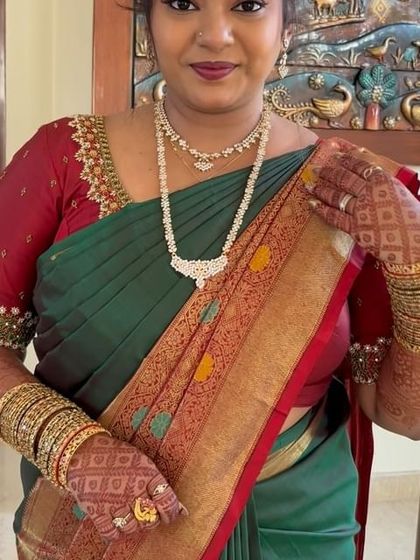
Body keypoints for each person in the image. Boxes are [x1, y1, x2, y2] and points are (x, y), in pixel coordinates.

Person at [0, 1, 419, 559]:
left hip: (294, 532)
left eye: (248, 5)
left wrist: (414, 265)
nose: (215, 34)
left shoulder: (354, 189)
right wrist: (71, 447)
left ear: (286, 25)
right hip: (98, 530)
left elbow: (401, 415)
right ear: (149, 19)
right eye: (182, 3)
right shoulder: (61, 160)